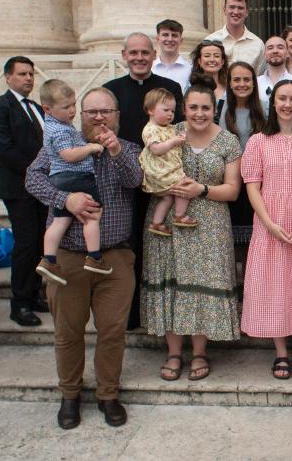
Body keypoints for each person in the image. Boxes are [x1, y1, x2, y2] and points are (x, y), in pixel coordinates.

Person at [25, 86, 143, 429]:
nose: (98, 117)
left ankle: (108, 395)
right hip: (69, 258)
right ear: (80, 114)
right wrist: (65, 199)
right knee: (68, 331)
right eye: (91, 111)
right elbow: (32, 177)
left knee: (112, 332)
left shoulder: (130, 149)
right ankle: (70, 395)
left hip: (115, 258)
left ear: (117, 116)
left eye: (105, 111)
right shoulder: (62, 146)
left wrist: (117, 151)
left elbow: (137, 181)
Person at [141, 78, 242, 382]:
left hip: (209, 223)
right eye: (193, 107)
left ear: (215, 109)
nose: (199, 113)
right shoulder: (167, 133)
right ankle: (173, 352)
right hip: (167, 220)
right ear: (184, 108)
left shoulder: (228, 141)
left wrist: (200, 189)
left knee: (201, 282)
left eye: (206, 108)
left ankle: (199, 351)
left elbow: (233, 190)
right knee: (171, 282)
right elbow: (148, 164)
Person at [103, 32, 184, 329]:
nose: (139, 57)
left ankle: (164, 312)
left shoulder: (171, 88)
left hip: (163, 178)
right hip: (125, 179)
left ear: (153, 54)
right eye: (133, 52)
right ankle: (130, 312)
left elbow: (178, 129)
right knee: (128, 243)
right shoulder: (111, 89)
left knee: (162, 247)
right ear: (124, 55)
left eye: (144, 52)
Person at [241, 79, 292, 380]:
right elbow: (252, 186)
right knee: (273, 283)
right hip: (268, 223)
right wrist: (269, 223)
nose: (287, 104)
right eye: (282, 99)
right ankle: (281, 352)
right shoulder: (258, 141)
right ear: (273, 103)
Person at [0, 56, 48, 326]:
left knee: (38, 241)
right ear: (7, 77)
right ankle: (19, 303)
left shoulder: (36, 107)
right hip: (17, 186)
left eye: (31, 74)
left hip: (41, 188)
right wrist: (38, 172)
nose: (28, 79)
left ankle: (34, 293)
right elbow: (6, 149)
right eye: (22, 74)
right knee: (25, 243)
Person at [35, 79, 112, 285]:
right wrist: (90, 148)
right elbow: (68, 155)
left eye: (73, 105)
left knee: (60, 221)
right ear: (47, 109)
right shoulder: (60, 130)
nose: (71, 111)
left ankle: (48, 259)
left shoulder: (55, 126)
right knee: (93, 215)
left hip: (60, 179)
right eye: (66, 107)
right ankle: (94, 257)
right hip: (75, 177)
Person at [219, 61, 266, 247]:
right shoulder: (219, 108)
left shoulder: (265, 107)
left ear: (254, 83)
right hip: (229, 180)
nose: (242, 84)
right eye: (236, 79)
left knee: (253, 241)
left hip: (258, 182)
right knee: (233, 242)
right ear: (229, 83)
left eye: (247, 79)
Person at [139, 88, 195, 237]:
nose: (170, 114)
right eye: (166, 110)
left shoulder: (168, 128)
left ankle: (157, 222)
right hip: (161, 171)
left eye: (172, 110)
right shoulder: (150, 130)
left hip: (168, 169)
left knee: (167, 197)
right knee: (184, 185)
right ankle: (180, 215)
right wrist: (175, 141)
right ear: (150, 110)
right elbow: (156, 149)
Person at [205, 0, 265, 69]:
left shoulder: (258, 45)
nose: (236, 12)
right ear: (224, 10)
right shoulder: (210, 40)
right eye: (232, 7)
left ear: (247, 12)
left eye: (240, 8)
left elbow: (259, 78)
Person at [257, 35, 292, 112]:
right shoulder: (256, 83)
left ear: (288, 53)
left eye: (280, 47)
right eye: (270, 48)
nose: (275, 51)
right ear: (264, 54)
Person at [189, 39, 228, 120]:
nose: (212, 60)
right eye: (207, 56)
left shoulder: (230, 87)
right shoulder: (190, 85)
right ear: (199, 61)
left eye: (217, 56)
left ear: (223, 61)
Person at [152, 19, 192, 93]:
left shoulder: (190, 70)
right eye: (165, 35)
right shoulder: (150, 68)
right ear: (157, 39)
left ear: (181, 40)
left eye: (174, 35)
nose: (170, 39)